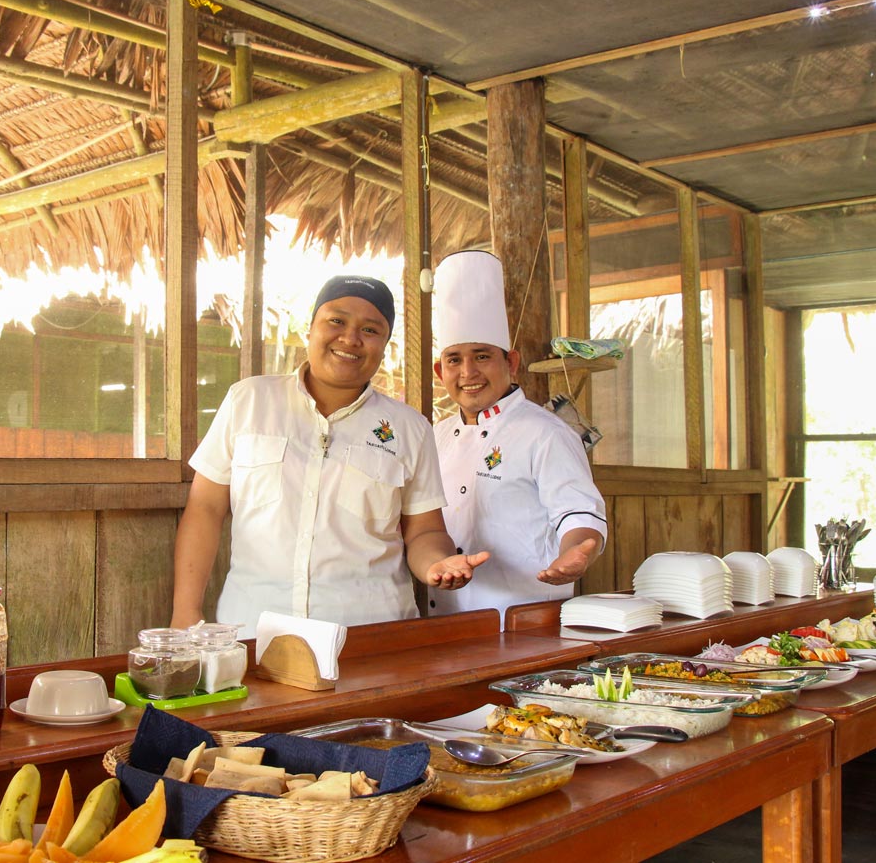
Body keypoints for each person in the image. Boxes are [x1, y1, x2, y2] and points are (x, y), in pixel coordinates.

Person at [170, 273, 488, 638]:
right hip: (253, 631)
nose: (350, 338)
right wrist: (185, 612)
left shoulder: (409, 428)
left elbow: (425, 530)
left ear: (384, 345)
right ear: (310, 329)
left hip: (369, 636)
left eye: (370, 330)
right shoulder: (249, 401)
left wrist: (436, 564)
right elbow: (205, 508)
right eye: (336, 320)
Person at [428, 249, 607, 623]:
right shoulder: (435, 437)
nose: (468, 373)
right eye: (454, 360)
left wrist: (578, 553)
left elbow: (577, 512)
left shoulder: (546, 434)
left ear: (510, 362)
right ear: (438, 370)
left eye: (481, 356)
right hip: (443, 623)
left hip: (523, 623)